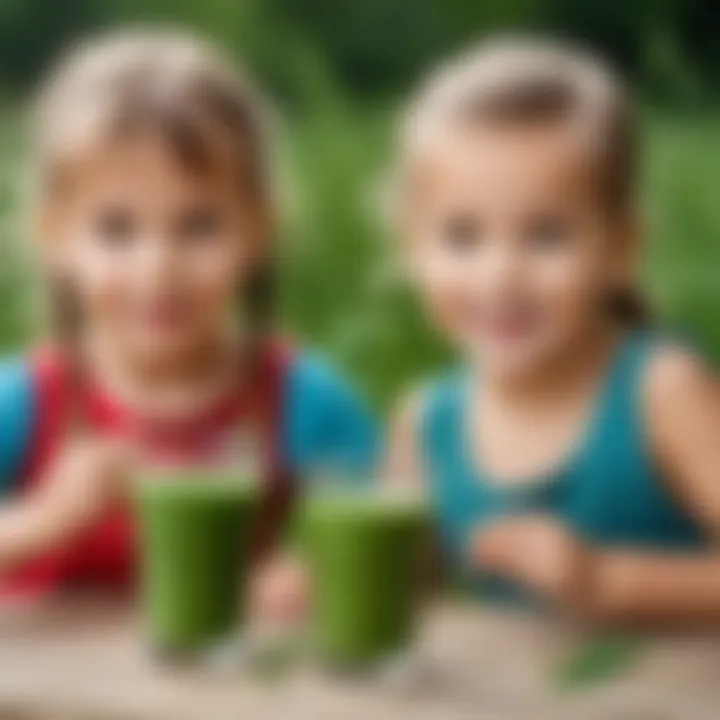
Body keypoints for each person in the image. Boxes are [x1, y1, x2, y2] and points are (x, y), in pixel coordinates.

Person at [0, 31, 376, 607]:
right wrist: (43, 519)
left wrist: (309, 577)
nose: (158, 269)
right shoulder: (24, 405)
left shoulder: (303, 403)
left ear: (258, 230)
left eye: (198, 226)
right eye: (117, 230)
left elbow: (404, 552)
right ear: (55, 238)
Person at [386, 38, 720, 627]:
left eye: (546, 235)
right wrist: (317, 583)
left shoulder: (661, 393)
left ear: (620, 247)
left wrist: (610, 581)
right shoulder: (428, 423)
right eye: (462, 237)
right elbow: (411, 597)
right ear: (412, 250)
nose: (501, 274)